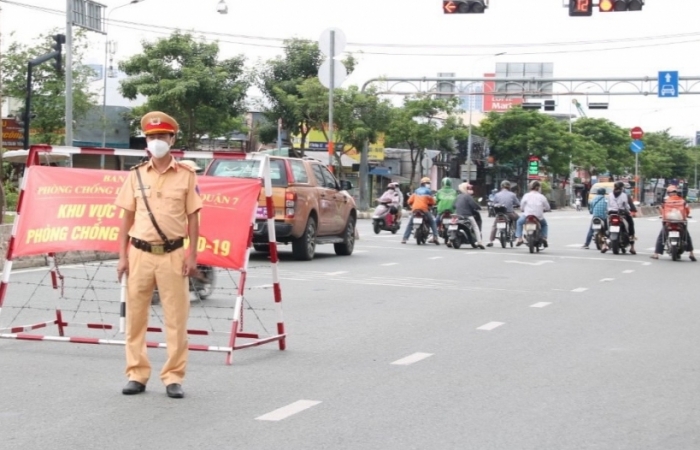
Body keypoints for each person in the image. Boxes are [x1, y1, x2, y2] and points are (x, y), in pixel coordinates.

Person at [115, 111, 203, 399]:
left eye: (162, 137)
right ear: (146, 141)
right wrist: (122, 256)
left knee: (176, 319)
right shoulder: (136, 175)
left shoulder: (187, 176)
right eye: (152, 137)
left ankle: (173, 377)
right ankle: (136, 374)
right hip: (139, 253)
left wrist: (192, 255)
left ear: (172, 139)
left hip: (173, 254)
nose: (156, 141)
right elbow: (126, 218)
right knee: (135, 318)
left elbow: (193, 218)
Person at [651, 185, 696, 261]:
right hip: (680, 222)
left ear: (668, 193)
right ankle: (691, 253)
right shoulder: (682, 200)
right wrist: (687, 215)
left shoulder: (665, 201)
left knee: (662, 236)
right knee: (686, 236)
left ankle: (656, 254)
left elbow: (663, 211)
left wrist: (662, 215)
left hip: (668, 222)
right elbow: (687, 210)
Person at [402, 177, 439, 245]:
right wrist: (431, 204)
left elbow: (409, 201)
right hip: (424, 209)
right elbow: (433, 202)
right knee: (432, 222)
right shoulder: (428, 191)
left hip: (415, 209)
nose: (428, 184)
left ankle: (404, 238)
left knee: (410, 224)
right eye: (427, 183)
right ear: (425, 184)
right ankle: (435, 237)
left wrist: (411, 205)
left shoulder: (416, 191)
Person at [515, 180, 551, 247]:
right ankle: (544, 237)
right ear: (539, 188)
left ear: (530, 187)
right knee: (544, 225)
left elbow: (522, 206)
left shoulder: (526, 195)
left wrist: (522, 209)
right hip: (538, 216)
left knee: (519, 222)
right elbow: (548, 207)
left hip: (527, 216)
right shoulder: (541, 196)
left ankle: (519, 238)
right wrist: (546, 210)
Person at [487, 180, 520, 247]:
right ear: (509, 187)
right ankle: (517, 235)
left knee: (494, 226)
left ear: (501, 186)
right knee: (518, 219)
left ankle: (491, 241)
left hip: (499, 214)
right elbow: (518, 203)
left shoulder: (497, 195)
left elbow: (493, 204)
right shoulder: (512, 194)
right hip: (509, 213)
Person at [606, 180, 636, 255]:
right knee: (631, 226)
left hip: (611, 213)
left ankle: (604, 244)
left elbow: (608, 205)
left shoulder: (609, 195)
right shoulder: (624, 195)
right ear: (622, 188)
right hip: (621, 213)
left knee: (607, 227)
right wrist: (630, 211)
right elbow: (626, 205)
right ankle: (632, 247)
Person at [454, 182, 486, 249]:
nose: (470, 189)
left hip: (458, 215)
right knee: (475, 227)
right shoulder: (468, 196)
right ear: (465, 189)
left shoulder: (458, 196)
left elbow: (453, 205)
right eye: (468, 188)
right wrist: (479, 207)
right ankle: (479, 242)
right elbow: (474, 205)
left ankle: (449, 241)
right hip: (467, 215)